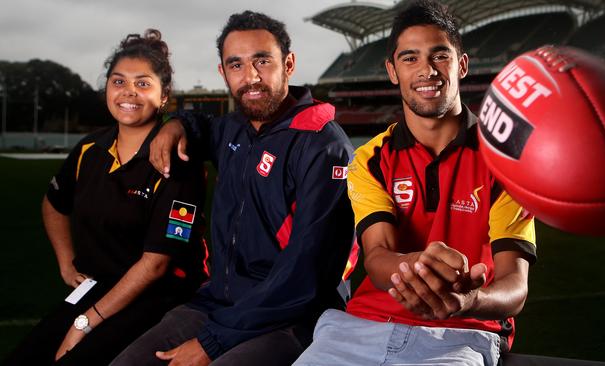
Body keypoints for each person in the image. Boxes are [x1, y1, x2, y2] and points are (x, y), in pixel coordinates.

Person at [293, 1, 537, 365]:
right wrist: (419, 267)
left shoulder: (506, 161)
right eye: (410, 58)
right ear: (392, 70)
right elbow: (376, 258)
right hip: (362, 326)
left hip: (461, 332)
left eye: (440, 56)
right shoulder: (370, 160)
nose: (427, 70)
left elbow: (515, 288)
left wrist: (469, 301)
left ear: (462, 65)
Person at [111, 11, 355, 366]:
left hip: (292, 316)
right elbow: (203, 125)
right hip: (219, 303)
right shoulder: (233, 129)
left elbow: (308, 272)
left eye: (262, 61)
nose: (251, 77)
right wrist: (176, 124)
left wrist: (213, 342)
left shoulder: (323, 145)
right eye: (236, 65)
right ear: (222, 72)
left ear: (288, 64)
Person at [2, 29, 209, 366]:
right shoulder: (89, 148)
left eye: (143, 83)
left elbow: (156, 265)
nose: (129, 92)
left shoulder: (178, 160)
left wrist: (83, 324)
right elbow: (54, 204)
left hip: (158, 298)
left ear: (164, 95)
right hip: (97, 288)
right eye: (119, 82)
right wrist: (67, 263)